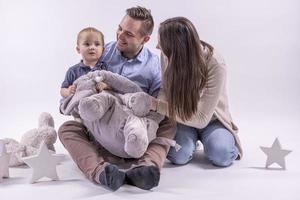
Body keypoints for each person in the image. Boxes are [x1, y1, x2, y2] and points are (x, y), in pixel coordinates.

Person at [58, 6, 176, 191]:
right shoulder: (102, 50)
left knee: (169, 123)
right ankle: (101, 172)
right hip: (101, 123)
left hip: (134, 126)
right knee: (67, 129)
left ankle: (146, 167)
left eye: (128, 34)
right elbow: (80, 80)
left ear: (145, 39)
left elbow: (155, 108)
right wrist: (74, 97)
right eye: (119, 28)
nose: (120, 36)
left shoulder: (155, 67)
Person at [152, 17, 242, 168]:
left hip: (211, 120)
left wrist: (156, 105)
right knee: (178, 155)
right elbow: (165, 90)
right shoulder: (168, 55)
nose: (157, 47)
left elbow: (201, 119)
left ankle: (219, 140)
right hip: (181, 118)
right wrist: (158, 115)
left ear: (176, 49)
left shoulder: (215, 64)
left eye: (161, 43)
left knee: (221, 154)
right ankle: (191, 142)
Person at [60, 27, 106, 99]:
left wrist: (105, 86)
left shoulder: (105, 68)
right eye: (87, 44)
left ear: (103, 50)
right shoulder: (73, 71)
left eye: (97, 44)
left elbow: (113, 86)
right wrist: (68, 91)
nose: (92, 47)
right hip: (78, 104)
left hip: (98, 103)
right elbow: (62, 90)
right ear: (78, 49)